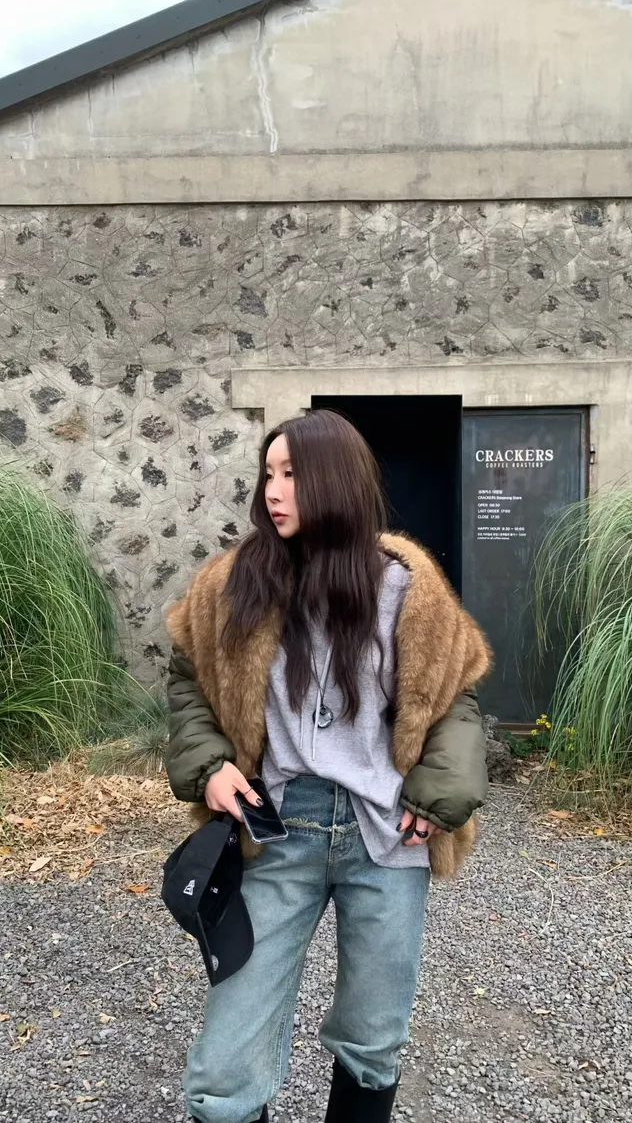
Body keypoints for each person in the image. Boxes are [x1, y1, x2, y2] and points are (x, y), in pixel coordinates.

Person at [164, 410, 491, 1123]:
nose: (274, 490)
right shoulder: (232, 583)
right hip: (276, 830)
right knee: (225, 1066)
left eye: (292, 474)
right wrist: (210, 764)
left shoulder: (409, 587)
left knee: (373, 1039)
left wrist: (441, 791)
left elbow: (455, 696)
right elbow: (187, 679)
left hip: (385, 836)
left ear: (337, 482)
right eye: (269, 473)